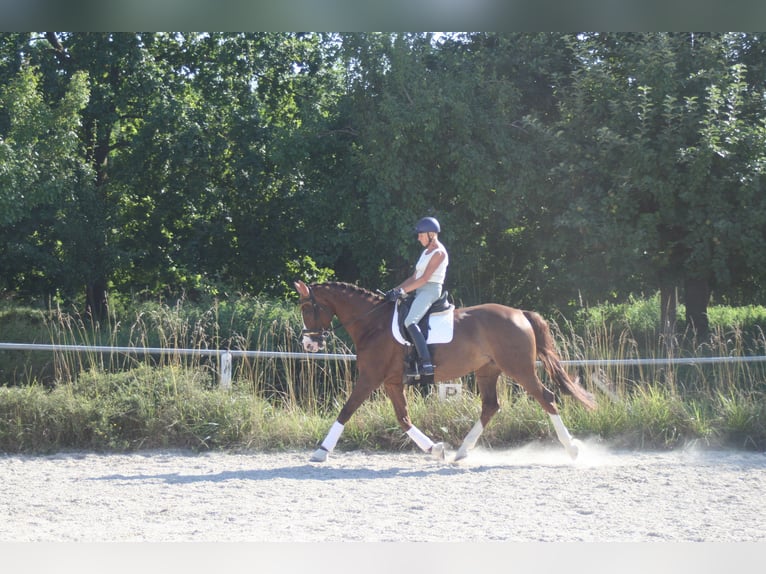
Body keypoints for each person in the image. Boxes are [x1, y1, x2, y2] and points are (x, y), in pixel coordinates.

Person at [385, 216, 449, 382]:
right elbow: (414, 277)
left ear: (431, 234)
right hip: (419, 289)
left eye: (421, 234)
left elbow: (425, 279)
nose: (418, 237)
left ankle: (426, 363)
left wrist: (402, 291)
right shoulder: (425, 252)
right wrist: (395, 290)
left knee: (410, 321)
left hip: (430, 290)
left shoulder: (439, 253)